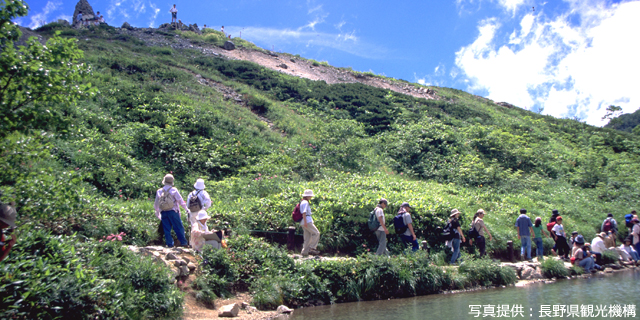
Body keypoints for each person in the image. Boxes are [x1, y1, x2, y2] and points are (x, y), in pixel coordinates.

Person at [154, 174, 190, 248]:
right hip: (173, 211)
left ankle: (170, 244)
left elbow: (156, 203)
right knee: (178, 227)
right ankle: (183, 243)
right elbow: (180, 201)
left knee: (167, 229)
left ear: (164, 181)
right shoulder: (173, 190)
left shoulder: (159, 191)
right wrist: (186, 209)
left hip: (163, 212)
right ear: (172, 181)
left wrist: (157, 212)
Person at [300, 189, 320, 256]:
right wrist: (306, 222)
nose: (311, 197)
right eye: (310, 196)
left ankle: (304, 252)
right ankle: (312, 247)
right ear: (307, 196)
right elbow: (304, 212)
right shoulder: (306, 202)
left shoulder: (302, 202)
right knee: (316, 233)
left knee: (307, 237)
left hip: (303, 221)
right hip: (307, 221)